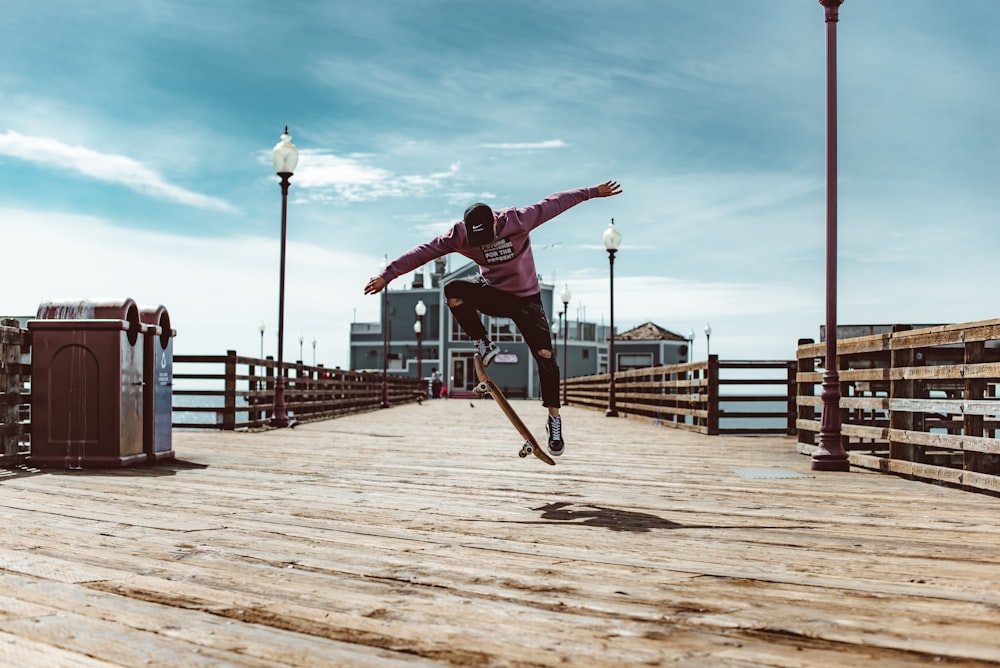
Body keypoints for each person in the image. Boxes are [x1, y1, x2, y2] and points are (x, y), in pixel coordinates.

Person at [364, 180, 623, 457]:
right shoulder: (458, 235)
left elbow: (556, 202)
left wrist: (593, 192)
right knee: (452, 290)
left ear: (496, 224)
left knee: (545, 356)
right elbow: (423, 251)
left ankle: (554, 419)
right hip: (493, 294)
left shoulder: (520, 219)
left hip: (527, 300)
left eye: (487, 237)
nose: (483, 245)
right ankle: (483, 342)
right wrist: (387, 275)